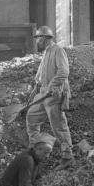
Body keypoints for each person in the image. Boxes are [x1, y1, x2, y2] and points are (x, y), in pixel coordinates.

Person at [26, 25, 74, 170]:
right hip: (43, 93)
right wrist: (36, 88)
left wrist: (52, 87)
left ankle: (67, 157)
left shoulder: (58, 50)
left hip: (53, 95)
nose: (36, 41)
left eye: (38, 38)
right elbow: (41, 73)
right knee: (31, 116)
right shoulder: (46, 52)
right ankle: (35, 151)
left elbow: (64, 71)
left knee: (58, 126)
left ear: (45, 38)